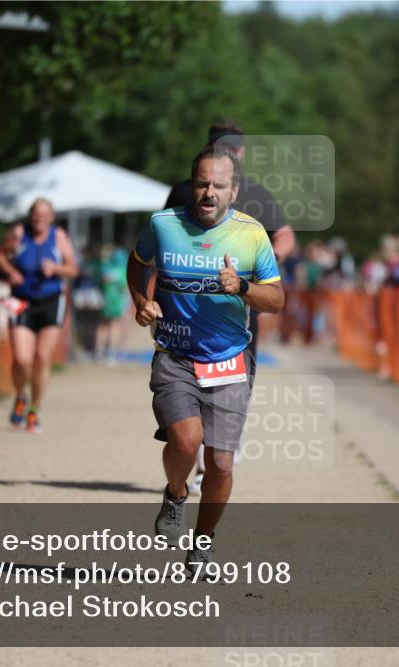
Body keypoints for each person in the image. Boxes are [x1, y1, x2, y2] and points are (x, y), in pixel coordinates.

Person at [128, 146, 283, 576]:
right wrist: (141, 301)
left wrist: (243, 288)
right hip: (175, 355)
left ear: (234, 190)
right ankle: (176, 494)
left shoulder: (252, 235)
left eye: (218, 185)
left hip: (229, 359)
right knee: (184, 440)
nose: (208, 192)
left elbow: (276, 299)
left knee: (220, 465)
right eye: (201, 183)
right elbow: (137, 263)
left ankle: (202, 547)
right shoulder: (164, 225)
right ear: (191, 185)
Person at [164, 119, 295, 491]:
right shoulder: (181, 191)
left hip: (237, 305)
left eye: (233, 151)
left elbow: (285, 236)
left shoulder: (255, 193)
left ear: (241, 155)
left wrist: (265, 268)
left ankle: (218, 443)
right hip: (184, 311)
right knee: (183, 383)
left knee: (235, 374)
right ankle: (198, 445)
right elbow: (159, 241)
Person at [0, 198, 78, 434]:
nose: (39, 218)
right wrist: (10, 272)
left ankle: (34, 408)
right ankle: (20, 396)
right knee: (21, 358)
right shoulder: (20, 234)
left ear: (51, 217)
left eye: (44, 214)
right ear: (31, 216)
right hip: (20, 301)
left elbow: (73, 268)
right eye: (35, 214)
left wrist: (56, 269)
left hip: (51, 301)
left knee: (41, 357)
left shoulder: (59, 237)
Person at [92, 243, 129, 365]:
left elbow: (100, 281)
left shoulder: (106, 268)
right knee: (114, 326)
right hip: (117, 301)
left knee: (102, 325)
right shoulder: (122, 270)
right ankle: (111, 353)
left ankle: (98, 352)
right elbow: (124, 288)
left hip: (106, 299)